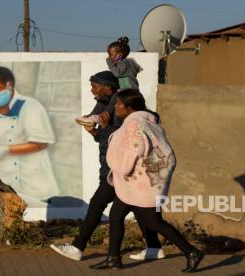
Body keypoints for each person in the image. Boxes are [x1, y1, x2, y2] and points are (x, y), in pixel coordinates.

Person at [51, 71, 165, 262]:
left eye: (95, 86)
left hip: (119, 170)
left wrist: (103, 129)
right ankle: (154, 247)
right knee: (139, 210)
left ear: (108, 87)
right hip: (116, 168)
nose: (92, 90)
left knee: (97, 205)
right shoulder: (108, 108)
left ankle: (79, 247)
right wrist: (95, 133)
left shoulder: (120, 111)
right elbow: (107, 141)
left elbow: (122, 141)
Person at [91, 90, 204, 272]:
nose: (115, 107)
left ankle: (191, 252)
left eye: (120, 104)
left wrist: (122, 169)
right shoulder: (144, 121)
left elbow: (134, 149)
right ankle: (113, 258)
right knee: (116, 215)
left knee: (153, 221)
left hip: (140, 182)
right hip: (136, 182)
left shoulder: (135, 123)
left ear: (130, 108)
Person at [0, 67, 59, 206]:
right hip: (2, 186)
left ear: (9, 85)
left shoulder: (31, 107)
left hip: (32, 185)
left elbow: (40, 143)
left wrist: (5, 150)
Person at [75, 36, 142, 127]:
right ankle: (92, 117)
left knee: (115, 97)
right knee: (108, 98)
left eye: (111, 55)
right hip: (126, 88)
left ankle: (103, 115)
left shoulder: (125, 62)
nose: (110, 57)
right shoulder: (125, 63)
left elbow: (117, 73)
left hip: (129, 89)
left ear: (119, 55)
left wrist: (109, 62)